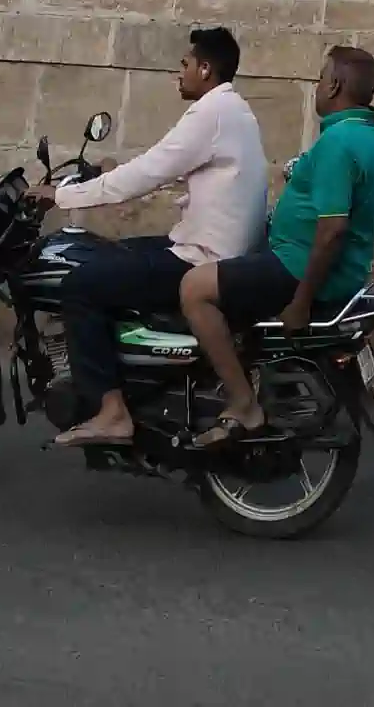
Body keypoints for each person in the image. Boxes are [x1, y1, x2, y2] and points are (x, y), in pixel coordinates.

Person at [31, 24, 267, 449]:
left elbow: (150, 171)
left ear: (205, 69)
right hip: (208, 248)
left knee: (81, 285)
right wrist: (106, 176)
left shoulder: (212, 113)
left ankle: (112, 413)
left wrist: (62, 195)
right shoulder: (234, 110)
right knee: (112, 253)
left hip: (201, 258)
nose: (180, 72)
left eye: (185, 64)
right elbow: (168, 168)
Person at [181, 44, 374, 448]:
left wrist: (301, 301)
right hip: (343, 270)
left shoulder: (338, 142)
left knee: (194, 288)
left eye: (320, 78)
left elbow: (332, 230)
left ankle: (243, 404)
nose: (316, 87)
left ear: (334, 86)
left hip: (297, 267)